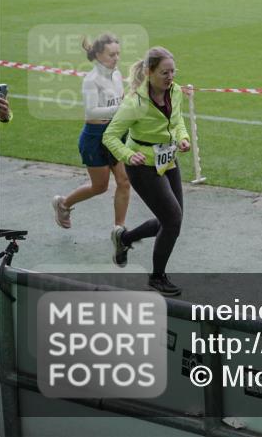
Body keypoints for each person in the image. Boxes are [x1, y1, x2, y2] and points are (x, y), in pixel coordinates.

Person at [102, 47, 190, 296]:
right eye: (164, 72)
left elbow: (178, 119)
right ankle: (156, 278)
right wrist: (129, 155)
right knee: (172, 220)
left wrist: (182, 138)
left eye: (173, 71)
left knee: (173, 219)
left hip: (167, 159)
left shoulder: (175, 91)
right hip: (142, 166)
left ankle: (125, 239)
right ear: (149, 73)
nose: (170, 76)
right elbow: (109, 136)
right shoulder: (135, 103)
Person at [52, 34, 131, 230]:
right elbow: (91, 111)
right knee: (100, 187)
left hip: (114, 133)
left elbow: (120, 99)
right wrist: (121, 108)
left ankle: (119, 230)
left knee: (124, 181)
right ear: (98, 55)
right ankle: (63, 204)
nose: (116, 58)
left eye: (118, 54)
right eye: (111, 54)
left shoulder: (116, 74)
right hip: (94, 137)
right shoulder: (91, 80)